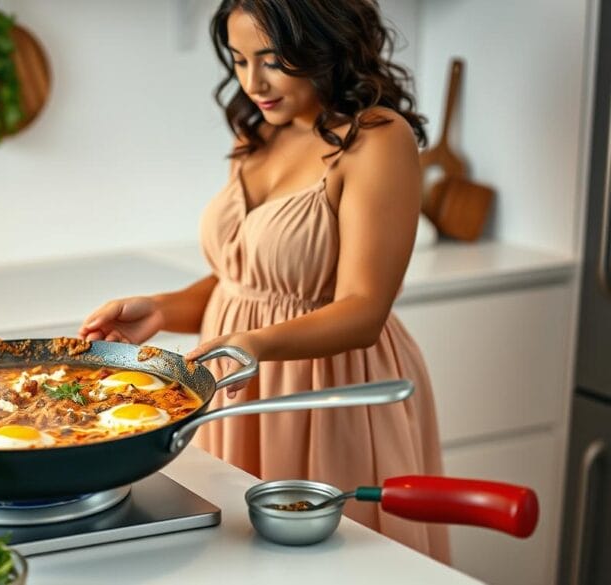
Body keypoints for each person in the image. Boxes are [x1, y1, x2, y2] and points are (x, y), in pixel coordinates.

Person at [78, 0, 450, 563]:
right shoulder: (258, 132)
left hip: (327, 391)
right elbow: (244, 283)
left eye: (272, 60)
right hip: (242, 384)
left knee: (339, 563)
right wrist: (159, 309)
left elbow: (364, 309)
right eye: (239, 59)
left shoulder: (376, 138)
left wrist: (250, 345)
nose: (253, 82)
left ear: (324, 43)